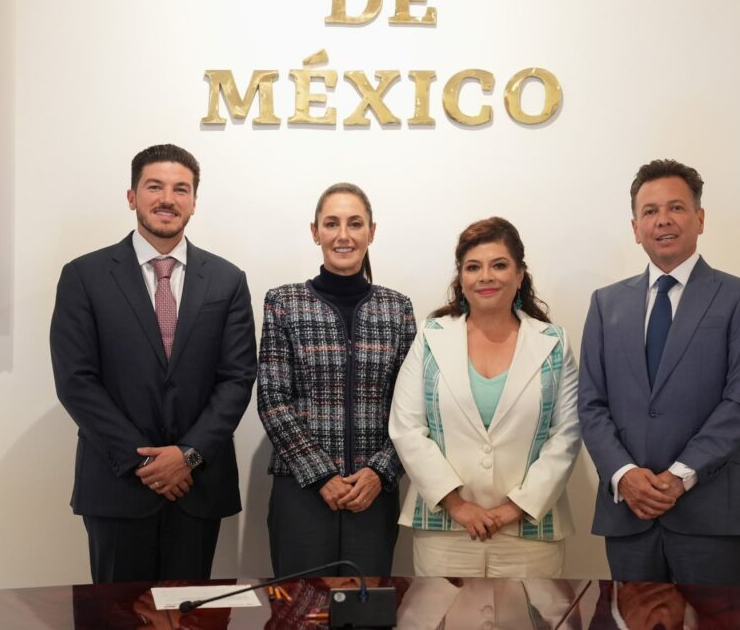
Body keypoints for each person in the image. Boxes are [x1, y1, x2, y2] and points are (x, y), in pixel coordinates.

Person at [50, 144, 257, 583]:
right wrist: (145, 462)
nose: (168, 199)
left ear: (194, 201)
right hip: (118, 486)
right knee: (117, 614)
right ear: (132, 197)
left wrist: (188, 455)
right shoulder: (84, 276)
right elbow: (76, 381)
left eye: (181, 189)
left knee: (191, 612)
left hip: (198, 486)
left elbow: (237, 379)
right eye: (154, 187)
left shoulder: (227, 280)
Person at [577, 159, 740, 588]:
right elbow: (590, 405)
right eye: (650, 211)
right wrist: (624, 475)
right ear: (635, 228)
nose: (663, 220)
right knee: (630, 619)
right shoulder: (605, 304)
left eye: (676, 208)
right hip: (629, 517)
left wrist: (680, 475)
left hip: (713, 516)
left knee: (721, 620)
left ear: (700, 219)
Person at [390, 217, 581, 578]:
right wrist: (457, 506)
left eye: (499, 265)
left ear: (520, 275)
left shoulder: (554, 342)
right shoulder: (430, 336)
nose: (486, 276)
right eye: (473, 267)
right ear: (461, 278)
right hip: (446, 531)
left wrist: (515, 508)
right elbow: (406, 428)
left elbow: (567, 435)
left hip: (529, 533)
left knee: (530, 611)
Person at [257, 183, 416, 577]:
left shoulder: (397, 309)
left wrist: (381, 471)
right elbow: (273, 400)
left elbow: (412, 407)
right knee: (301, 605)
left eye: (355, 224)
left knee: (367, 604)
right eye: (331, 224)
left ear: (371, 232)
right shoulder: (284, 302)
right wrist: (322, 474)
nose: (343, 235)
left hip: (372, 493)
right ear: (315, 232)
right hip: (301, 491)